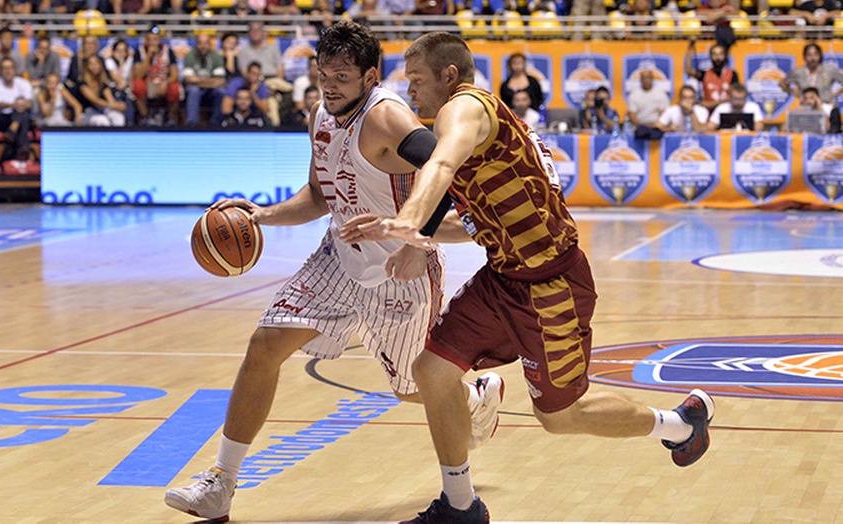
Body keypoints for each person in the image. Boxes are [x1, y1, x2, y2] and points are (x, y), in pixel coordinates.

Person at [339, 32, 715, 523]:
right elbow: (473, 223)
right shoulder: (480, 129)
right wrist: (416, 230)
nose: (409, 92)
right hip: (503, 279)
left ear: (449, 76)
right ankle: (460, 505)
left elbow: (442, 163)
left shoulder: (465, 108)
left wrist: (410, 219)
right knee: (430, 372)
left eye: (416, 80)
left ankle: (679, 425)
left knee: (559, 418)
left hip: (551, 286)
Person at [163, 21, 503, 522]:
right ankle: (221, 483)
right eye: (324, 73)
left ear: (369, 76)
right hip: (337, 260)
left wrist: (418, 241)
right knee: (264, 346)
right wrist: (263, 215)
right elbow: (320, 196)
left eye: (342, 75)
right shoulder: (320, 115)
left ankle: (474, 396)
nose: (330, 84)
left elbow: (446, 173)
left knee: (414, 388)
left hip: (397, 270)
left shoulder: (388, 118)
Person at [132, 26, 181, 126]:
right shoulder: (140, 52)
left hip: (163, 82)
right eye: (151, 39)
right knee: (137, 85)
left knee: (175, 88)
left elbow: (175, 74)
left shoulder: (168, 51)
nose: (153, 42)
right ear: (146, 40)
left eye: (156, 39)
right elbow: (138, 76)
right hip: (147, 82)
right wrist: (149, 56)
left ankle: (171, 118)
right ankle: (145, 117)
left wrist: (165, 82)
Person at [0, 57, 34, 162]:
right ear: (1, 71)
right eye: (4, 68)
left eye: (10, 68)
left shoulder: (23, 83)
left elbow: (30, 102)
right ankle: (22, 148)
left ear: (14, 70)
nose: (7, 71)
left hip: (20, 115)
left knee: (22, 113)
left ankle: (12, 133)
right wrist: (14, 105)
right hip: (3, 118)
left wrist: (22, 105)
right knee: (20, 113)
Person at [182, 34, 227, 126]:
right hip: (195, 88)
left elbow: (220, 80)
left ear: (210, 45)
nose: (203, 47)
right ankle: (192, 123)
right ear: (196, 45)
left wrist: (198, 81)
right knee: (193, 90)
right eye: (200, 43)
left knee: (221, 91)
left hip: (211, 89)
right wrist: (211, 82)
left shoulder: (216, 56)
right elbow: (189, 79)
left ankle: (216, 123)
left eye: (206, 43)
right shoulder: (190, 56)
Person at [684, 40, 741, 113]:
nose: (717, 57)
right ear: (710, 56)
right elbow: (689, 70)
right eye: (714, 54)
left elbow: (735, 95)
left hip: (726, 112)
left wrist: (712, 104)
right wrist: (690, 47)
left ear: (724, 56)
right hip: (709, 113)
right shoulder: (705, 73)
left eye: (720, 54)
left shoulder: (732, 74)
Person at [80, 55, 127, 126]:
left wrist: (118, 105)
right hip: (87, 113)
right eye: (91, 64)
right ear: (87, 67)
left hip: (102, 110)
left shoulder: (103, 83)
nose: (94, 66)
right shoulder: (83, 83)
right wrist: (113, 105)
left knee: (118, 116)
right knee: (102, 121)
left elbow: (110, 98)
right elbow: (95, 100)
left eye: (96, 64)